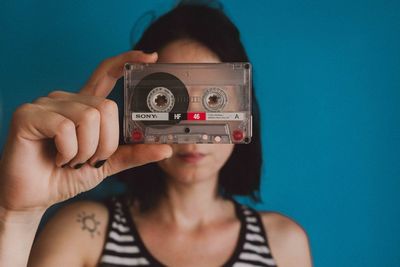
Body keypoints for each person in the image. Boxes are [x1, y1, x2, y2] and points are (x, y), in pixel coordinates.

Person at [0, 2, 312, 267]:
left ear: (244, 109)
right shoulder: (82, 233)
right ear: (135, 108)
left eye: (214, 100)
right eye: (165, 101)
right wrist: (16, 216)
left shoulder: (283, 244)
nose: (191, 132)